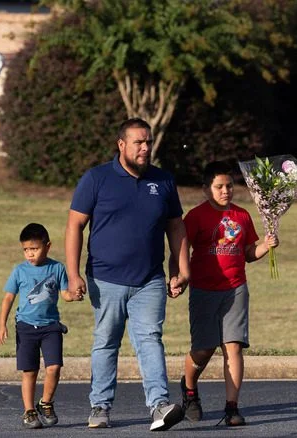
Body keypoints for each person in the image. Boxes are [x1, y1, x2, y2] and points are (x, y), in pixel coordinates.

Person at [65, 118, 189, 431]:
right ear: (121, 145)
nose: (145, 148)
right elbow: (75, 225)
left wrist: (181, 268)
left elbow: (176, 227)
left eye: (148, 142)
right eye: (138, 142)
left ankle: (159, 405)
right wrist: (73, 273)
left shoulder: (163, 180)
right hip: (105, 279)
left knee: (150, 339)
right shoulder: (97, 178)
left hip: (150, 280)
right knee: (106, 342)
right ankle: (100, 406)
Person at [180, 161, 279, 426]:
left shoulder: (242, 216)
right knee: (203, 350)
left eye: (230, 186)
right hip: (203, 290)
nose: (226, 191)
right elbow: (181, 250)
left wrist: (266, 246)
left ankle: (232, 408)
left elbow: (248, 253)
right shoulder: (196, 216)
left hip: (235, 289)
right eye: (219, 187)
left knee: (233, 346)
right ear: (206, 189)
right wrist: (178, 276)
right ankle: (189, 389)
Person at [0, 222, 84, 429]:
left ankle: (45, 403)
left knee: (54, 367)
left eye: (34, 249)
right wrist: (2, 325)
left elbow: (64, 294)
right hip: (26, 327)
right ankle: (29, 411)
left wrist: (73, 296)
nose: (29, 254)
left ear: (47, 246)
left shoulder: (57, 268)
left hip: (51, 326)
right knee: (30, 371)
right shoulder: (19, 271)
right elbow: (8, 298)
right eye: (26, 249)